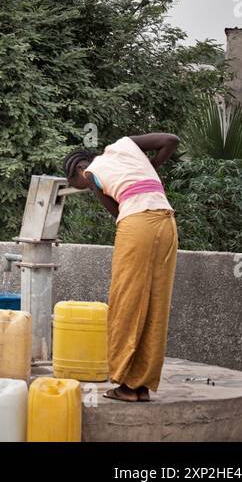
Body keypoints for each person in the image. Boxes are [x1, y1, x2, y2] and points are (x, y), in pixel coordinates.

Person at [63, 133, 180, 403]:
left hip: (137, 224)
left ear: (80, 169)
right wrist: (152, 168)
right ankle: (141, 385)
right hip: (167, 222)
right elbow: (171, 140)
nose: (81, 186)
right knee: (155, 302)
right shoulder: (123, 146)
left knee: (126, 300)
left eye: (75, 183)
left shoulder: (92, 173)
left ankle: (126, 384)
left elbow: (119, 213)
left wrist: (95, 187)